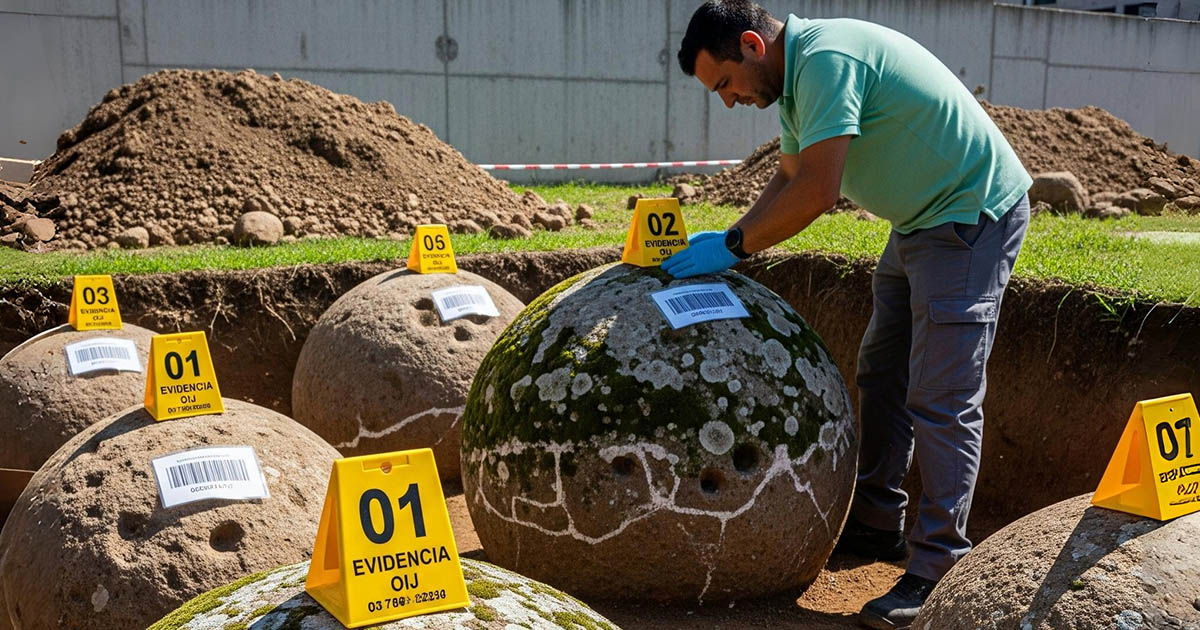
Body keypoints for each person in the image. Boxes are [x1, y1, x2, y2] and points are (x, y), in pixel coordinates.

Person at [666, 1, 1032, 628]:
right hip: (919, 219)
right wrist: (731, 234)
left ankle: (938, 566)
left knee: (943, 394)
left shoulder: (828, 60)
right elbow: (786, 175)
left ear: (752, 45)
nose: (726, 102)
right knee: (881, 370)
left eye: (723, 84)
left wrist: (733, 249)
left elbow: (816, 191)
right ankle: (875, 525)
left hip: (970, 216)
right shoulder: (792, 83)